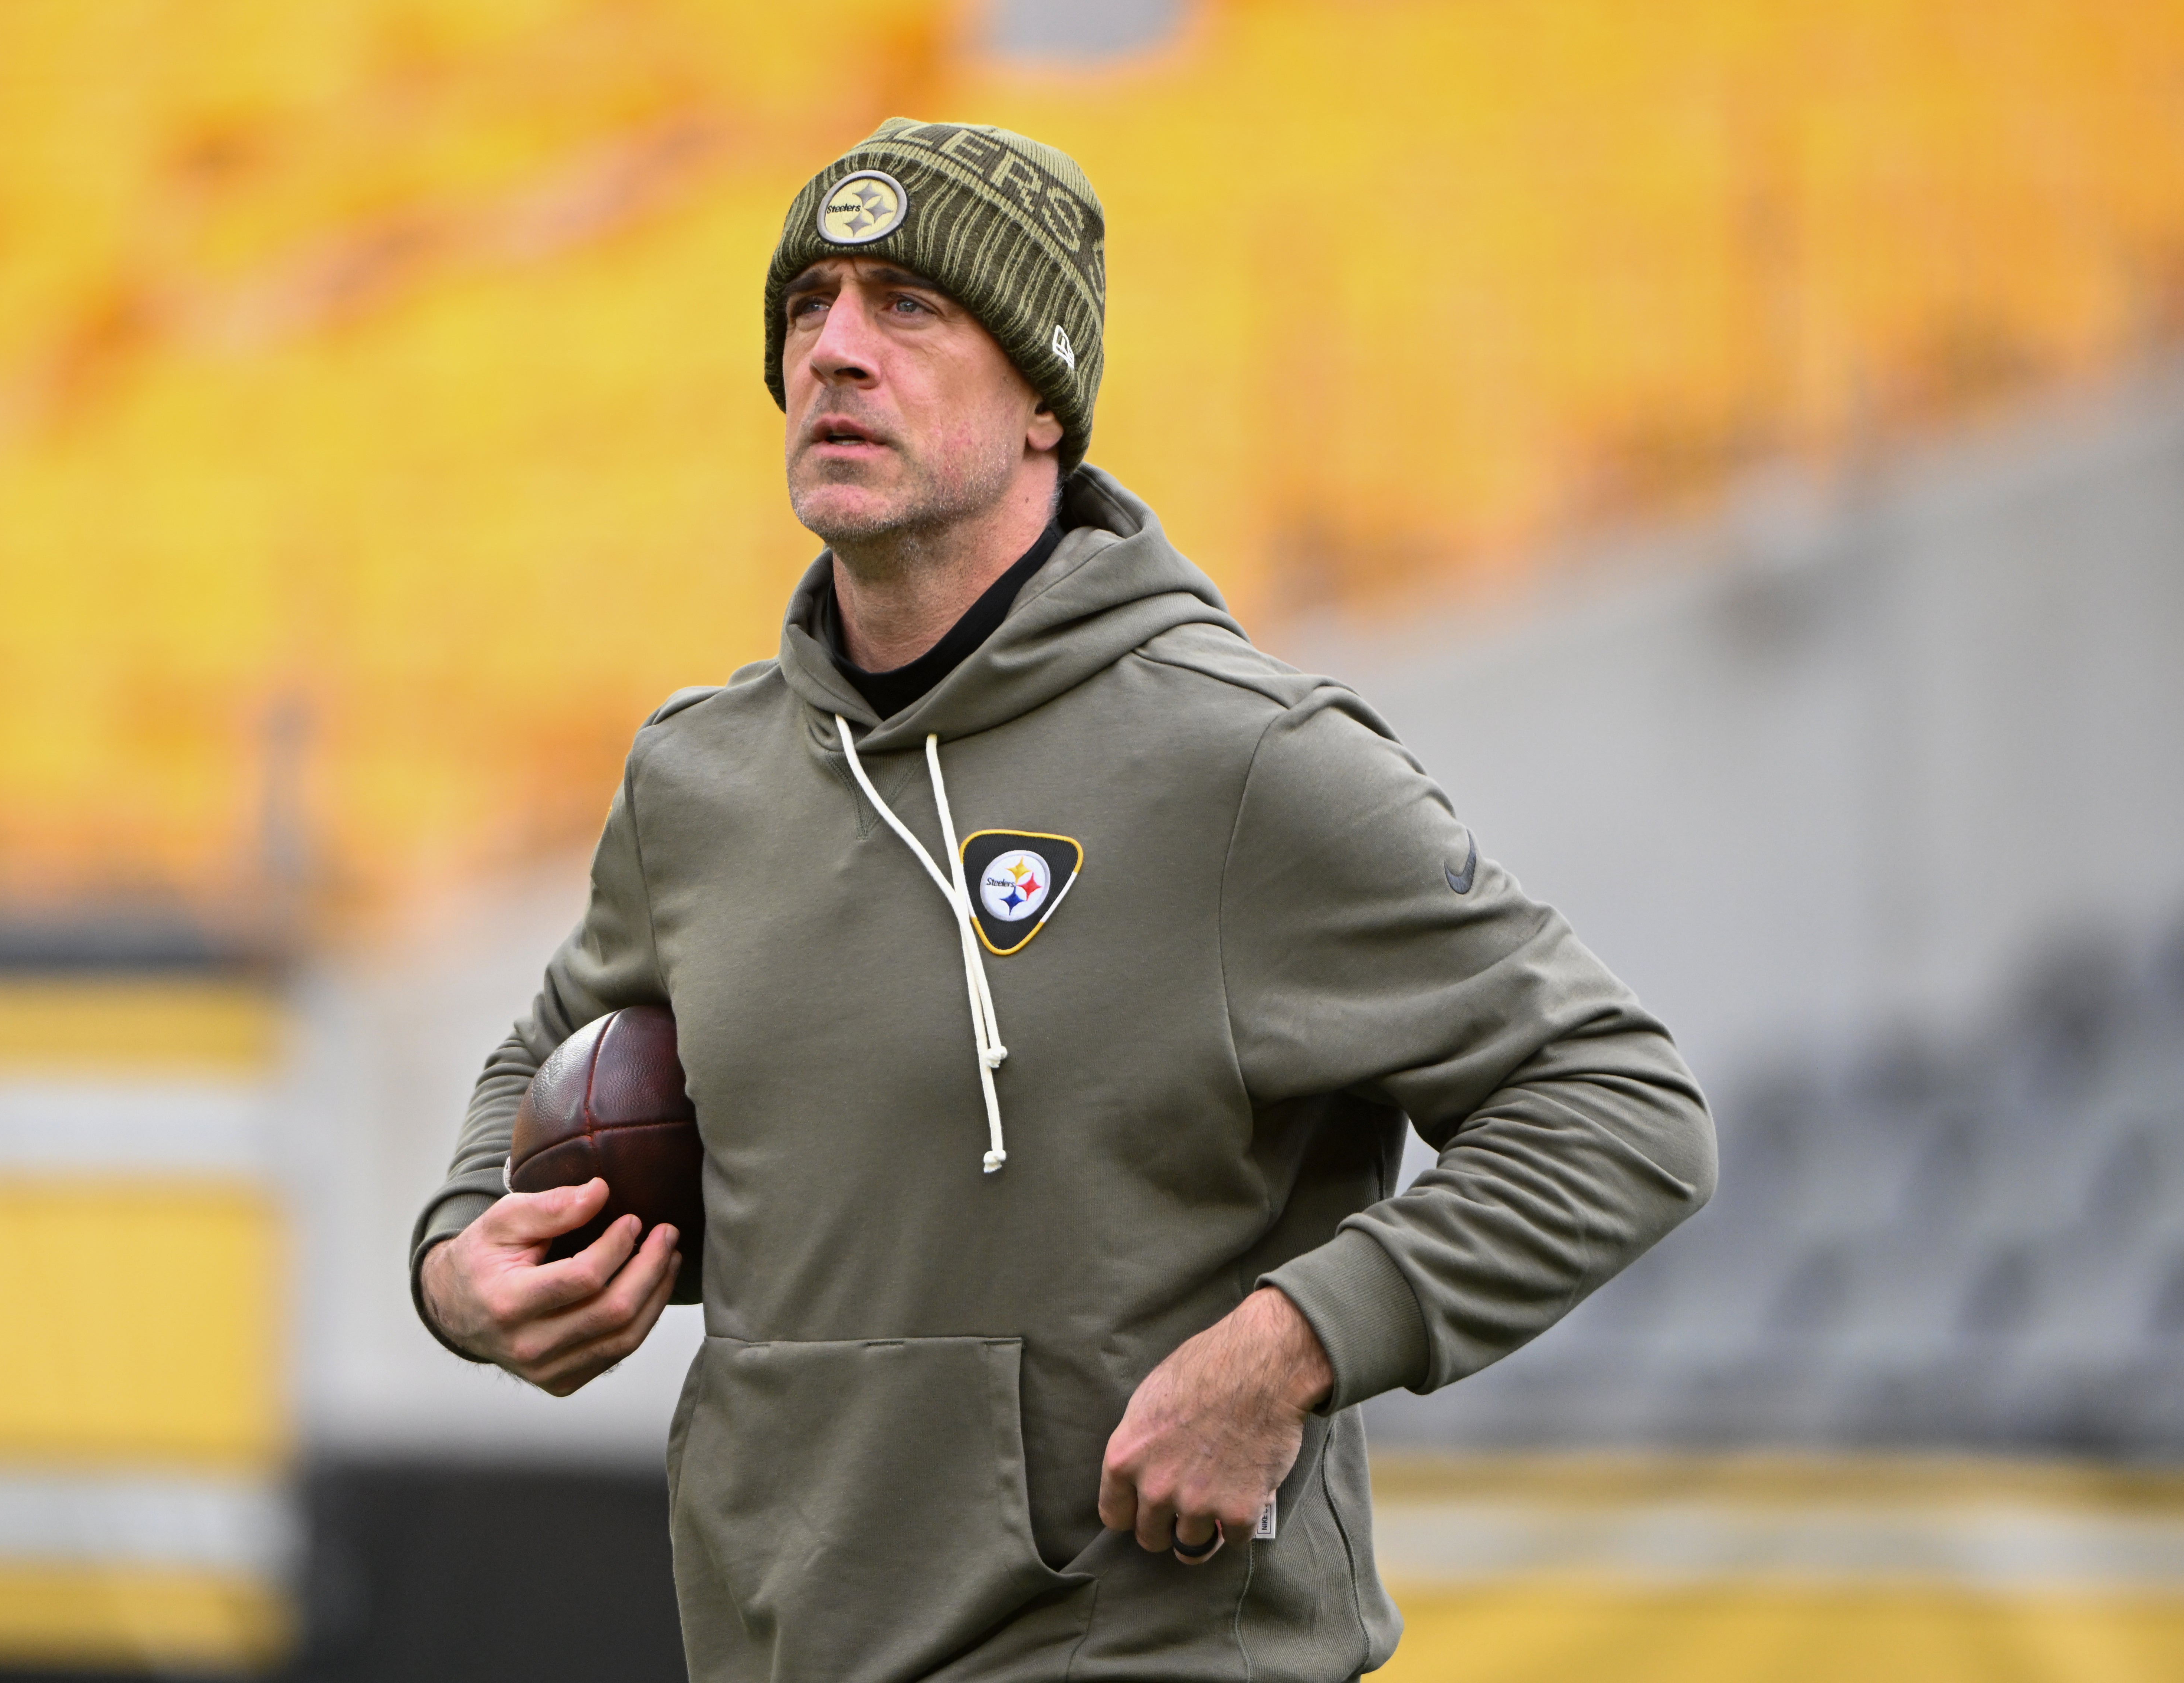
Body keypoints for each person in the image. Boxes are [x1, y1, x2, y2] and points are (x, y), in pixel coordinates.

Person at [413, 119, 1714, 1682]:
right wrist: (461, 1264)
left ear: (1043, 395)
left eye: (907, 305)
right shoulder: (701, 781)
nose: (833, 351)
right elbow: (539, 1059)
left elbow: (1621, 1106)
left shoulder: (1242, 764)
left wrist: (1289, 1349)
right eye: (808, 303)